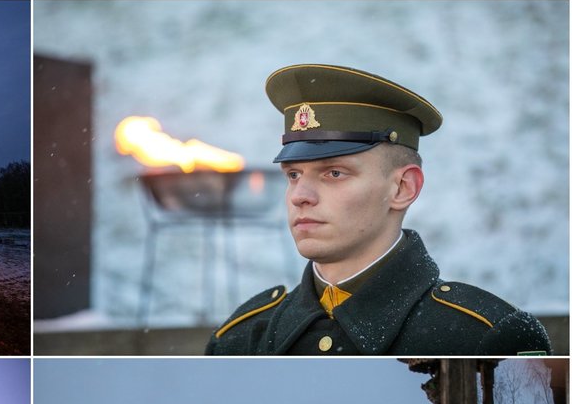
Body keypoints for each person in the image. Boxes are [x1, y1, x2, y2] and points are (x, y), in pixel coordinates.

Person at [205, 64, 551, 356]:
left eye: (334, 173)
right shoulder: (239, 339)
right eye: (294, 175)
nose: (300, 196)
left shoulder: (484, 338)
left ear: (403, 188)